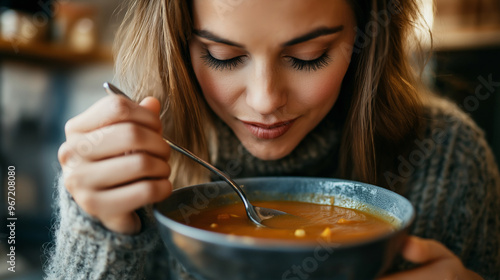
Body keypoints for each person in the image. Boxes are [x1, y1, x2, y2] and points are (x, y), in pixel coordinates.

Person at [45, 0, 500, 279]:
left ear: (368, 35)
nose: (265, 101)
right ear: (179, 43)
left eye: (308, 57)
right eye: (223, 56)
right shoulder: (128, 161)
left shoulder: (447, 159)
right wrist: (97, 233)